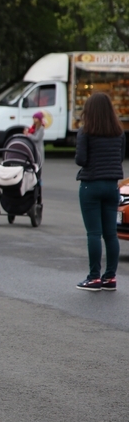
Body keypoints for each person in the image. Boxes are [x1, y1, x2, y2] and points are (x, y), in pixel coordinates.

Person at [74, 93, 125, 291]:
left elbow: (81, 160)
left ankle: (94, 277)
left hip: (91, 185)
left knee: (94, 233)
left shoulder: (85, 132)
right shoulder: (118, 133)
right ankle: (110, 277)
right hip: (112, 186)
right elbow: (119, 157)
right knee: (110, 234)